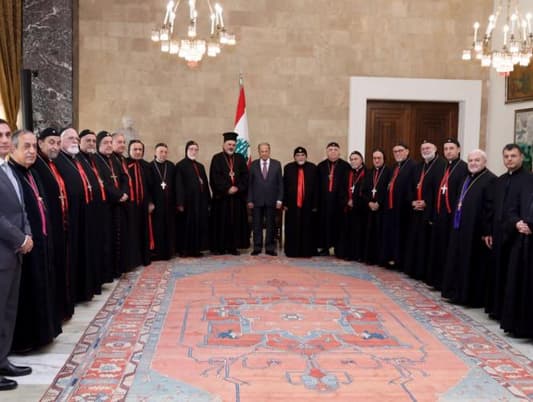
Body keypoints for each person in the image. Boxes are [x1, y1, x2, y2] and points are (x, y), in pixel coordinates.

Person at [8, 129, 61, 352]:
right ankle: (26, 341)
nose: (31, 151)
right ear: (13, 148)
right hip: (23, 246)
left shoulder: (32, 172)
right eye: (26, 147)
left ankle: (43, 335)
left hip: (41, 242)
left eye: (33, 147)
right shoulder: (11, 174)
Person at [0, 119, 33, 391]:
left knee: (8, 312)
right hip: (2, 251)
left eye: (7, 134)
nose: (3, 139)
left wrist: (28, 234)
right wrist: (20, 238)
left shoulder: (8, 169)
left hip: (14, 254)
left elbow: (21, 209)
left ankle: (3, 360)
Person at [442, 149, 496, 306]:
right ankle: (456, 293)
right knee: (457, 260)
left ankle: (469, 297)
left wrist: (487, 231)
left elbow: (490, 208)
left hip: (476, 231)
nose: (473, 163)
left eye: (477, 160)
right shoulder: (466, 178)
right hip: (461, 227)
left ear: (484, 162)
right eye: (471, 160)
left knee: (472, 264)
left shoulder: (490, 180)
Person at [483, 144, 529, 320]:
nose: (509, 159)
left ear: (521, 157)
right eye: (506, 156)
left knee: (512, 276)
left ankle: (510, 314)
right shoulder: (499, 180)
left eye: (513, 156)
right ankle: (497, 309)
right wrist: (488, 231)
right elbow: (492, 208)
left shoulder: (528, 180)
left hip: (517, 237)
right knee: (497, 273)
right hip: (498, 234)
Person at [34, 127, 74, 320]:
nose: (56, 147)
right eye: (51, 142)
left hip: (62, 224)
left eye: (58, 143)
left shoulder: (53, 163)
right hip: (49, 227)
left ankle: (63, 309)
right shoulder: (36, 165)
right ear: (39, 143)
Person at [55, 128, 94, 302]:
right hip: (69, 216)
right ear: (61, 141)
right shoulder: (58, 160)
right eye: (70, 138)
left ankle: (82, 291)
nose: (75, 141)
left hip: (82, 214)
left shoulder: (76, 159)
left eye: (76, 138)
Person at [426, 139, 468, 290]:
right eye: (446, 148)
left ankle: (447, 283)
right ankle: (437, 281)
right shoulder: (442, 167)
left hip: (452, 216)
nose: (448, 151)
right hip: (440, 214)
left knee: (448, 250)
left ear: (458, 150)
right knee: (438, 248)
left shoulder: (464, 168)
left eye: (451, 148)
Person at [404, 141, 446, 279]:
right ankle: (414, 270)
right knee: (416, 242)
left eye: (428, 148)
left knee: (426, 243)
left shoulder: (442, 165)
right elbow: (410, 186)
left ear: (435, 149)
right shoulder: (418, 166)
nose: (425, 150)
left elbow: (440, 189)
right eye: (423, 148)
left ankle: (425, 273)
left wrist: (427, 203)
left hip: (429, 211)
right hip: (415, 210)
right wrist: (412, 201)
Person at [79, 129, 113, 285]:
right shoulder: (79, 159)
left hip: (99, 208)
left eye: (93, 140)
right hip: (88, 210)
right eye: (88, 140)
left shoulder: (93, 159)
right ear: (80, 141)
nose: (91, 143)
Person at [500, 174, 533, 337]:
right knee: (519, 284)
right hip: (521, 243)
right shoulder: (527, 183)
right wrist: (517, 223)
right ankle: (519, 327)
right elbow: (512, 208)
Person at [93, 131, 130, 276]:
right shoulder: (95, 160)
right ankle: (109, 270)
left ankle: (119, 268)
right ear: (98, 145)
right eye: (105, 143)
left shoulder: (115, 159)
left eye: (110, 142)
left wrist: (125, 192)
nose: (109, 145)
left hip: (120, 205)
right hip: (107, 206)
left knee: (120, 237)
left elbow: (124, 177)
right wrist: (119, 195)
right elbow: (102, 182)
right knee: (108, 239)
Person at [209, 132, 250, 255]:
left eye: (233, 144)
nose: (231, 146)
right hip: (222, 199)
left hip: (237, 198)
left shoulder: (240, 158)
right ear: (223, 145)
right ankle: (220, 247)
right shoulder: (216, 158)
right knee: (221, 222)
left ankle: (233, 247)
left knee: (235, 222)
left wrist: (237, 187)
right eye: (229, 144)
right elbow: (214, 177)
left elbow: (245, 177)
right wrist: (227, 188)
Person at [382, 143, 416, 270]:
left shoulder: (413, 166)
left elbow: (413, 187)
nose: (397, 153)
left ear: (407, 151)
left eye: (400, 151)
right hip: (393, 208)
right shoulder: (395, 167)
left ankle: (400, 262)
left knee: (402, 236)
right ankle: (393, 259)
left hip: (404, 209)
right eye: (395, 151)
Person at [175, 141, 210, 257]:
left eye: (196, 149)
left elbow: (205, 184)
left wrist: (208, 201)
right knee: (186, 226)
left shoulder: (200, 166)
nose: (193, 151)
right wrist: (180, 203)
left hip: (199, 202)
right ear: (186, 150)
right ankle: (184, 250)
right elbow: (178, 185)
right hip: (187, 203)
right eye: (191, 149)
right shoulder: (180, 165)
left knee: (198, 225)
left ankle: (196, 250)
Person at [248, 143, 283, 256]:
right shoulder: (253, 165)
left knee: (270, 225)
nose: (264, 153)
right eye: (262, 151)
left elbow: (280, 184)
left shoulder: (277, 164)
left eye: (266, 151)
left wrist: (279, 200)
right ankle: (257, 247)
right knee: (256, 225)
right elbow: (250, 185)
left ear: (269, 151)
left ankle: (270, 247)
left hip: (272, 200)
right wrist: (249, 200)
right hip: (256, 201)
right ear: (259, 152)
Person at [316, 142, 351, 256]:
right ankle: (325, 247)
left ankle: (338, 248)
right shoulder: (321, 166)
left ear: (339, 152)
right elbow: (316, 185)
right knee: (323, 224)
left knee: (338, 225)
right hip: (324, 202)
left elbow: (348, 184)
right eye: (330, 149)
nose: (333, 151)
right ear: (327, 152)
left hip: (339, 202)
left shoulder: (345, 166)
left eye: (335, 149)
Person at [283, 147, 318, 258]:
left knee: (308, 228)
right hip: (292, 205)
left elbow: (317, 188)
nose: (300, 157)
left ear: (306, 156)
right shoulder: (288, 168)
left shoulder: (313, 168)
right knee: (292, 228)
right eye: (298, 155)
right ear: (294, 157)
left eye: (302, 155)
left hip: (308, 205)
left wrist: (315, 204)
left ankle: (307, 251)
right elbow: (284, 186)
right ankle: (292, 251)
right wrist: (284, 203)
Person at [336, 151, 367, 261]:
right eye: (351, 159)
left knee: (359, 233)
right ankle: (348, 253)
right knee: (347, 231)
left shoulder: (367, 173)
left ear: (361, 160)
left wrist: (356, 201)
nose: (353, 161)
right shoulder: (348, 173)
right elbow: (341, 190)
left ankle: (358, 255)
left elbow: (367, 191)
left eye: (356, 159)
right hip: (348, 208)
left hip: (361, 209)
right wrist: (347, 201)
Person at [363, 149, 391, 265]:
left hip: (382, 209)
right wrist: (369, 202)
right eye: (374, 158)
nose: (377, 160)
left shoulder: (389, 172)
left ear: (384, 159)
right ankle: (370, 258)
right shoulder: (369, 172)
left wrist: (379, 203)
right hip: (370, 208)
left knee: (381, 234)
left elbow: (388, 191)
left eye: (379, 158)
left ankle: (380, 259)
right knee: (370, 234)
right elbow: (363, 191)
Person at [127, 140, 153, 266]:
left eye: (140, 150)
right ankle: (133, 260)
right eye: (135, 149)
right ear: (129, 150)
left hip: (144, 205)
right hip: (130, 206)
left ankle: (144, 258)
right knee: (132, 233)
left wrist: (151, 202)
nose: (137, 152)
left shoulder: (147, 166)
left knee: (144, 232)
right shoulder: (124, 164)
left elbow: (152, 187)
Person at [149, 143, 176, 260]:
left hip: (169, 203)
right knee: (158, 228)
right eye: (161, 151)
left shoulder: (171, 166)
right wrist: (150, 202)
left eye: (165, 152)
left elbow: (176, 185)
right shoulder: (149, 166)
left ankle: (168, 252)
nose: (163, 154)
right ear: (155, 152)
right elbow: (147, 186)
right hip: (156, 203)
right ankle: (157, 253)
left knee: (169, 227)